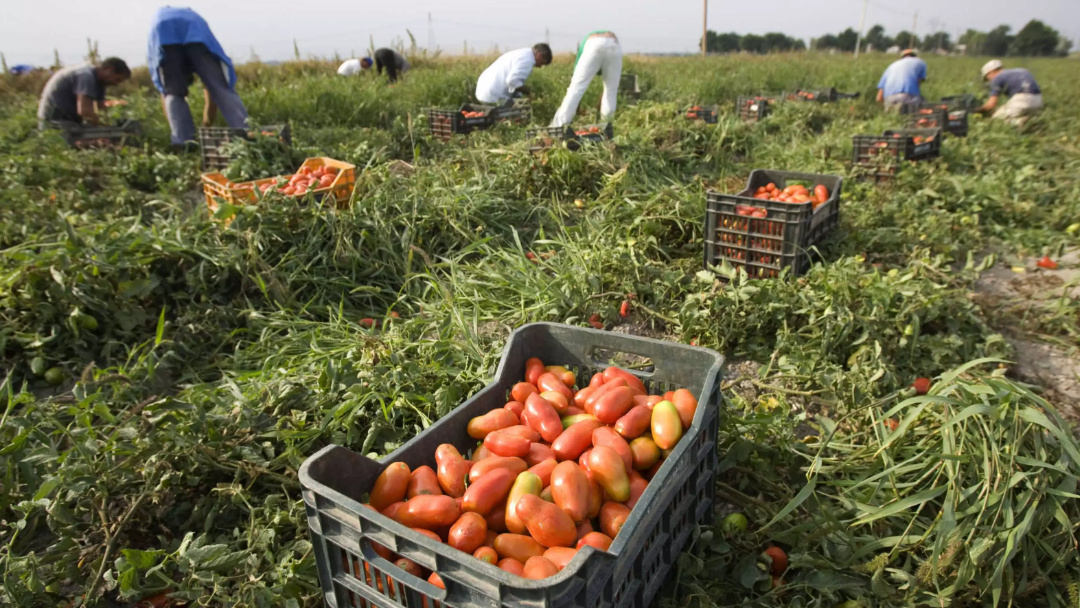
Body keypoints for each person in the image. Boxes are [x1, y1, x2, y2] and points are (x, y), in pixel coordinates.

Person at [148, 6, 248, 147]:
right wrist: (206, 125)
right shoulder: (188, 15)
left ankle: (183, 143)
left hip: (164, 32)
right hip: (193, 28)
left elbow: (167, 96)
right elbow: (214, 95)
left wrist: (183, 128)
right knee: (220, 87)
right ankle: (245, 133)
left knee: (173, 93)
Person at [550, 31, 623, 128]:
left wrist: (577, 107)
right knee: (611, 90)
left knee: (576, 88)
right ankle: (607, 126)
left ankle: (559, 125)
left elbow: (577, 76)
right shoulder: (603, 43)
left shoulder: (584, 45)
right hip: (614, 45)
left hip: (594, 43)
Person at [37, 57, 131, 129]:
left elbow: (101, 107)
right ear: (109, 70)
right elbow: (85, 111)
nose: (116, 84)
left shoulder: (100, 83)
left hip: (69, 121)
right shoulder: (86, 76)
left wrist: (112, 121)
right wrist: (105, 127)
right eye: (117, 79)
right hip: (54, 123)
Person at [475, 43, 552, 104]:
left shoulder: (522, 53)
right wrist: (529, 92)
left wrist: (520, 95)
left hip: (484, 91)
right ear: (539, 55)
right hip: (493, 95)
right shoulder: (527, 60)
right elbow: (512, 81)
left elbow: (513, 84)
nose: (540, 66)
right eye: (542, 63)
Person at [977, 59, 1043, 126]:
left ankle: (1018, 122)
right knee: (1022, 113)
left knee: (997, 119)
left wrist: (978, 110)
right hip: (1038, 101)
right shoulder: (1022, 70)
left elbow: (991, 105)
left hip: (1020, 100)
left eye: (986, 77)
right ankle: (1032, 120)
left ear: (991, 72)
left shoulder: (997, 78)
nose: (989, 80)